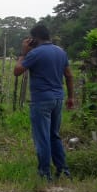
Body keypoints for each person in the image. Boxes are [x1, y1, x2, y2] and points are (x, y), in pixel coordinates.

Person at [13, 24, 75, 182]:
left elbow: (17, 71)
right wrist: (71, 97)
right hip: (58, 99)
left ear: (34, 38)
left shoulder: (35, 54)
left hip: (41, 100)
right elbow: (68, 75)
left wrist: (23, 53)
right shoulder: (61, 52)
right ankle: (63, 171)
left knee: (42, 138)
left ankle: (44, 174)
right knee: (54, 136)